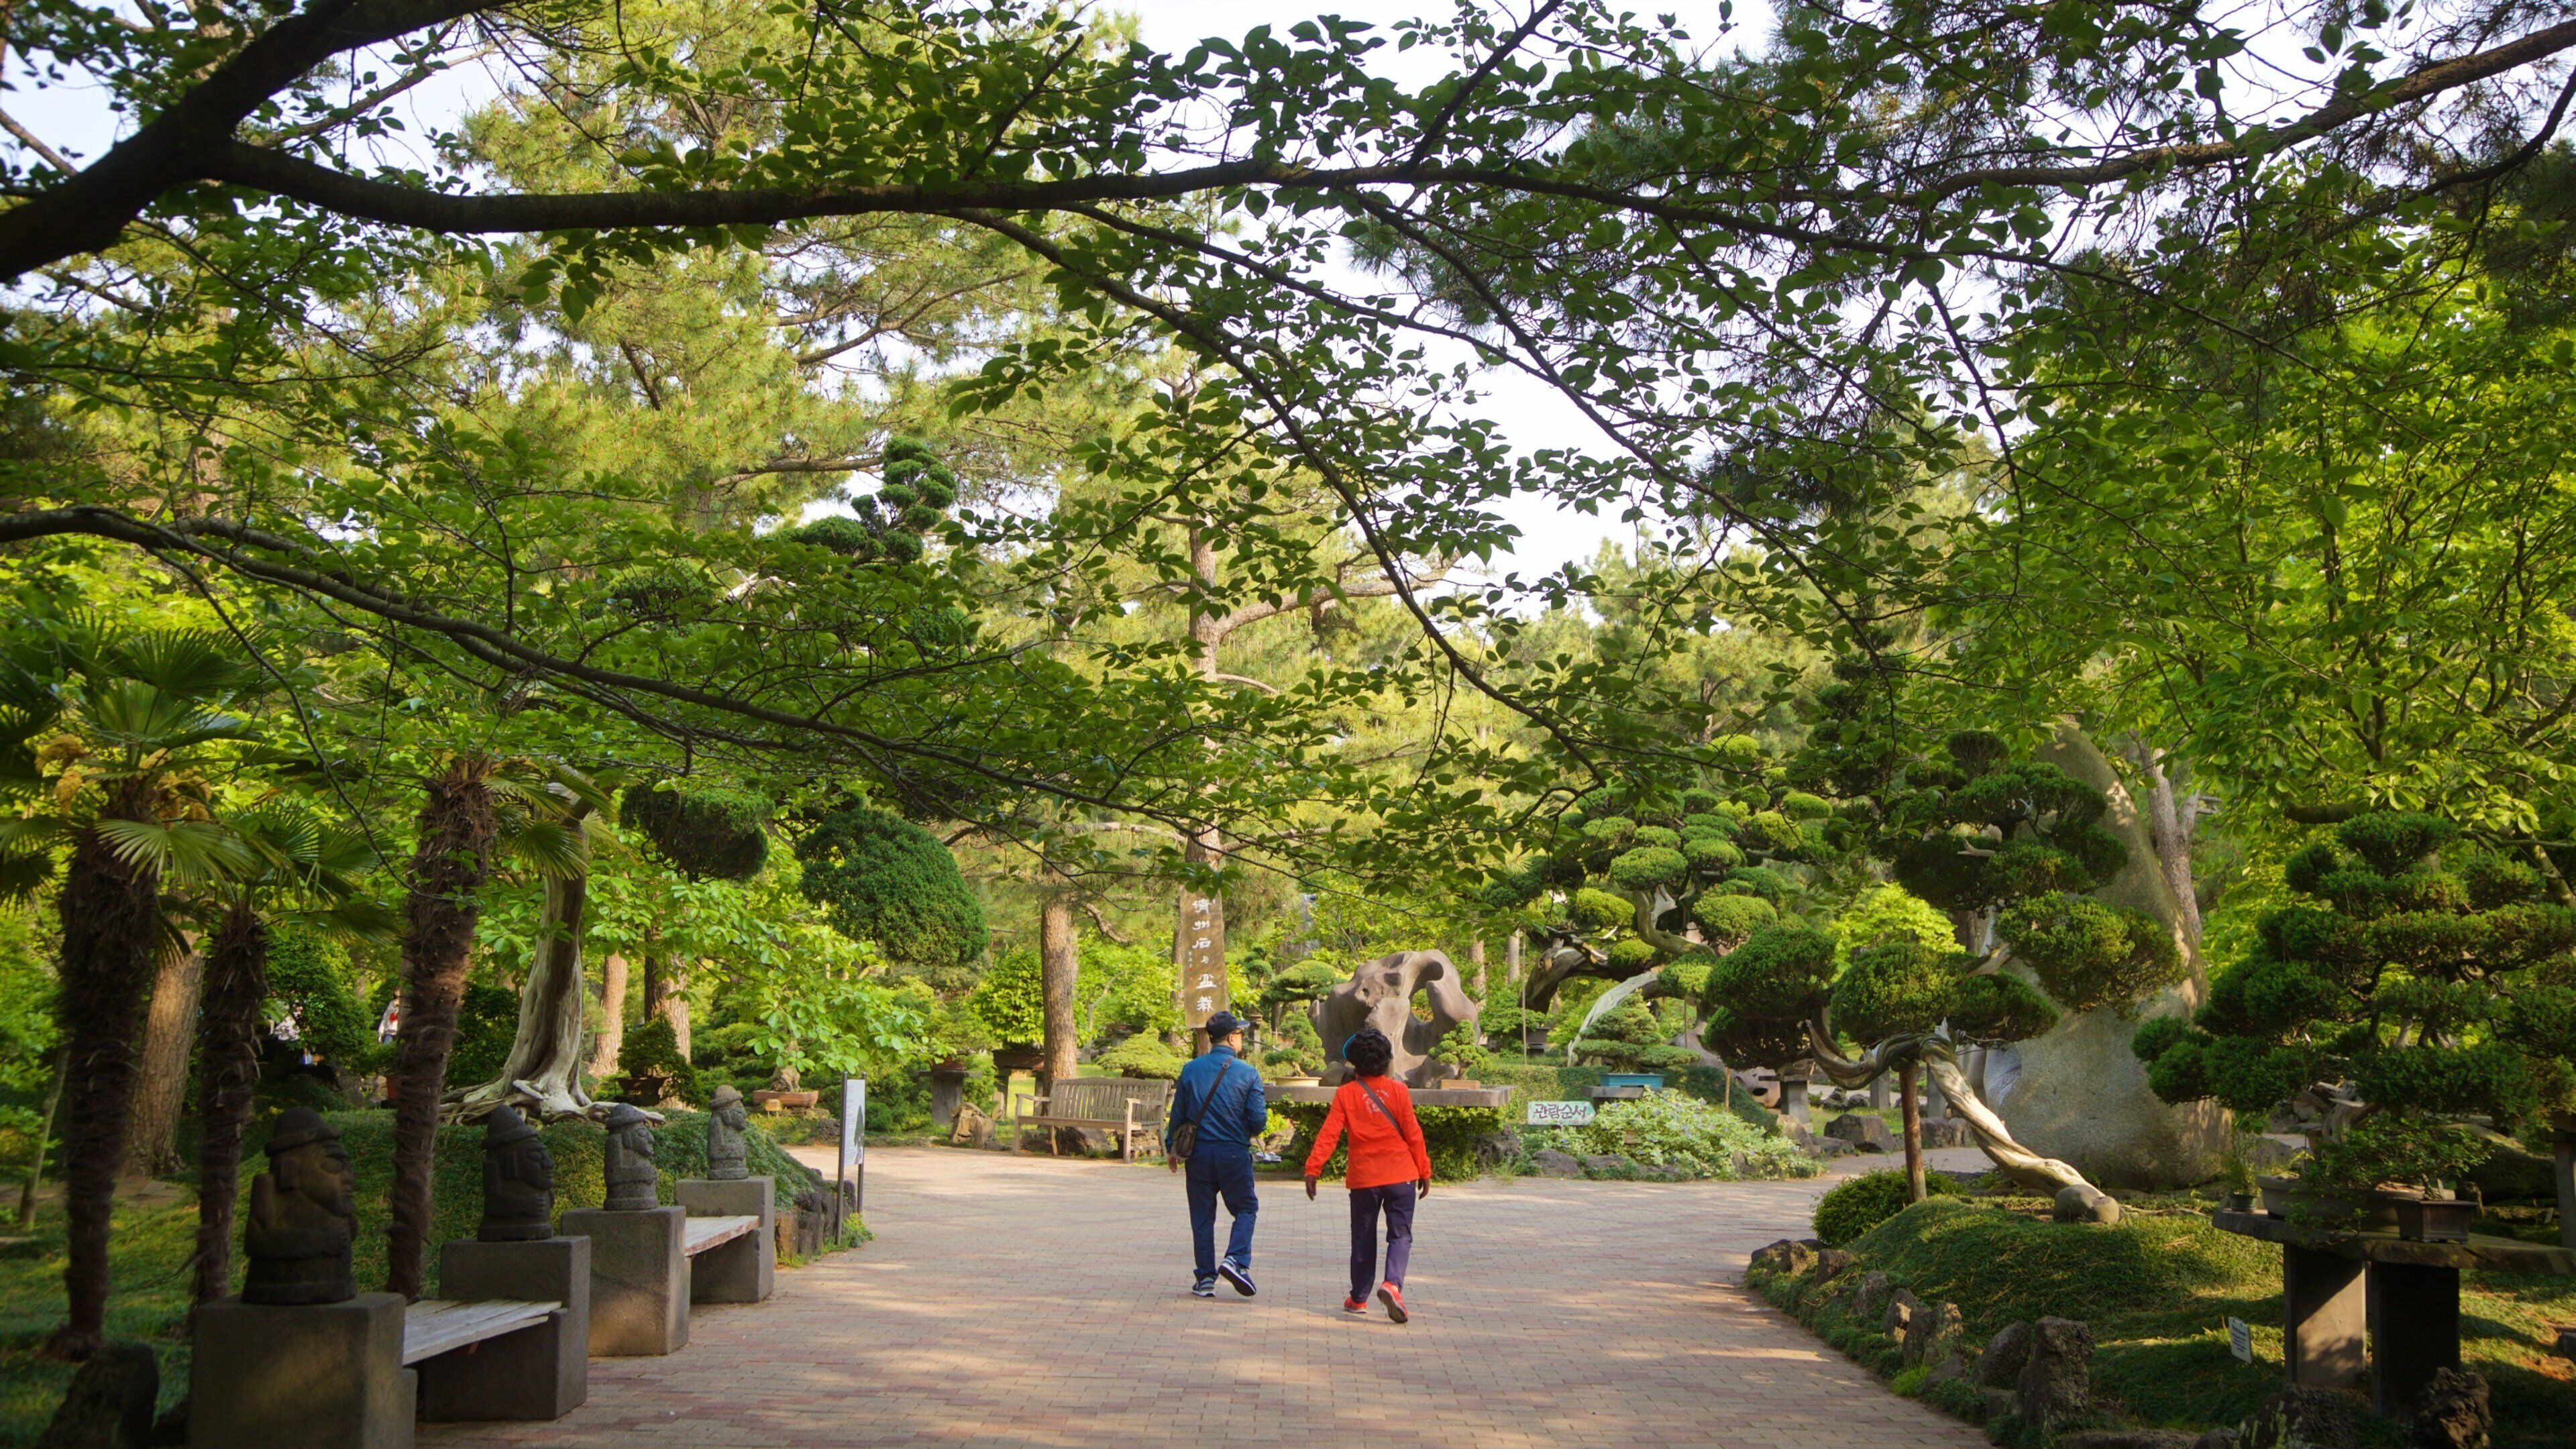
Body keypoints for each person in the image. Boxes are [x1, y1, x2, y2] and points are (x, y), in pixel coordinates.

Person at [1303, 1026, 1432, 1323]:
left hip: (1364, 1180)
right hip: (1401, 1177)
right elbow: (1414, 1135)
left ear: (1355, 1064)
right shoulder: (1399, 1091)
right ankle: (1392, 1285)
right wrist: (1424, 1171)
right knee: (1400, 1235)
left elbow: (1329, 1134)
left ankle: (1359, 1299)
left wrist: (1313, 1169)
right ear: (1387, 1061)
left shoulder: (1346, 1094)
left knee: (1363, 1238)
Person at [1166, 1010, 1269, 1298]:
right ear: (1232, 1037)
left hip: (1197, 1154)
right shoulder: (1248, 1073)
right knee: (1246, 1208)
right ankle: (1236, 1259)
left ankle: (1206, 1279)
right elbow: (1259, 1122)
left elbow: (1179, 1114)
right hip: (1233, 1153)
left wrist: (1171, 1148)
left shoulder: (1191, 1069)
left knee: (1202, 1216)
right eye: (1240, 1034)